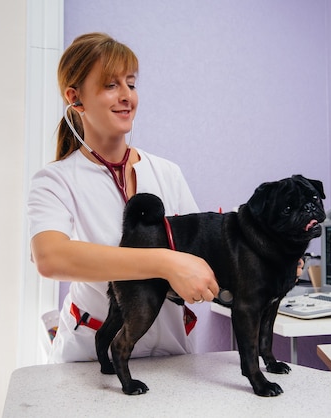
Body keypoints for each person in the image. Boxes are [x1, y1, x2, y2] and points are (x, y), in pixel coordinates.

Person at [28, 33, 220, 363]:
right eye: (110, 85)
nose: (127, 96)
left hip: (170, 358)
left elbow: (201, 251)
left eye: (130, 84)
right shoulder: (54, 181)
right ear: (76, 98)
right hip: (90, 360)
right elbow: (51, 257)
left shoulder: (166, 172)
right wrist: (165, 262)